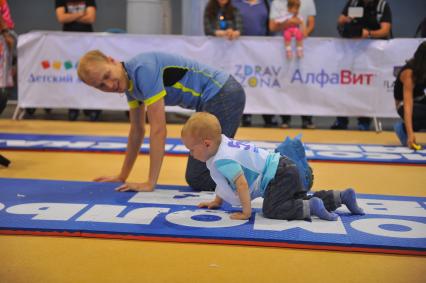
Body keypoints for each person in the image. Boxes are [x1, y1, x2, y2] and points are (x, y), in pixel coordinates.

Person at [77, 50, 246, 192]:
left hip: (223, 94)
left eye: (107, 75)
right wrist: (122, 176)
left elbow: (158, 129)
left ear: (111, 60)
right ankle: (252, 174)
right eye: (101, 86)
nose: (110, 85)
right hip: (216, 97)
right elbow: (137, 131)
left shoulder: (143, 70)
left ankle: (260, 177)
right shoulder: (129, 85)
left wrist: (150, 183)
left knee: (198, 178)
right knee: (202, 174)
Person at [181, 112, 365, 220]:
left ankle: (311, 207)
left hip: (277, 175)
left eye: (191, 149)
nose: (190, 154)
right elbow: (224, 183)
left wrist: (246, 212)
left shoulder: (222, 159)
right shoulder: (223, 144)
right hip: (284, 166)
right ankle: (341, 196)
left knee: (272, 209)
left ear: (206, 144)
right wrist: (217, 201)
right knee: (296, 198)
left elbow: (241, 184)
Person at [331, 0, 392, 131]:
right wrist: (346, 20)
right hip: (350, 52)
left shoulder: (381, 5)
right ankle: (341, 120)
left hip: (371, 54)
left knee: (366, 88)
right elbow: (340, 20)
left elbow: (385, 30)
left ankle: (364, 121)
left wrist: (368, 34)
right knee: (345, 87)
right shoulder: (353, 3)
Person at [269, 0, 316, 129]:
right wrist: (288, 23)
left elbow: (310, 24)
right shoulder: (277, 3)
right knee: (285, 83)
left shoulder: (308, 2)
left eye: (297, 8)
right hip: (283, 52)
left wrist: (304, 31)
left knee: (303, 84)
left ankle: (307, 118)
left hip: (302, 51)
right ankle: (285, 118)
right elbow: (273, 26)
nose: (295, 10)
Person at [232, 0, 278, 127]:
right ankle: (246, 115)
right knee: (244, 83)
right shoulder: (235, 3)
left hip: (262, 50)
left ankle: (268, 115)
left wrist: (271, 44)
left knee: (264, 83)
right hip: (241, 49)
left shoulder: (265, 4)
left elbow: (270, 27)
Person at [55, 0, 102, 122]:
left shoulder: (89, 0)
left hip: (87, 42)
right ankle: (73, 107)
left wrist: (70, 17)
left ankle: (91, 107)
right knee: (72, 75)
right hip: (68, 43)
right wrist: (81, 14)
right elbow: (61, 18)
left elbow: (91, 18)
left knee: (90, 73)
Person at [393, 41, 426, 150]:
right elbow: (408, 105)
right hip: (404, 105)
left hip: (421, 100)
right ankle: (403, 129)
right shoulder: (409, 73)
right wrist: (410, 134)